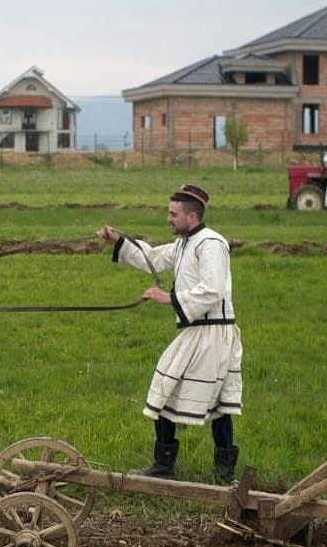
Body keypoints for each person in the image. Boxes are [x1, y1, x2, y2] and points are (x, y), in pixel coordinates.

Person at [96, 184, 241, 482]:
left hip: (213, 333)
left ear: (191, 216)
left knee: (209, 400)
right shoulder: (185, 244)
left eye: (173, 214)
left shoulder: (211, 243)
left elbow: (212, 290)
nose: (168, 218)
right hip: (199, 330)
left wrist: (169, 299)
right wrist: (118, 240)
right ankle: (172, 466)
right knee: (179, 393)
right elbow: (152, 257)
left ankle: (217, 471)